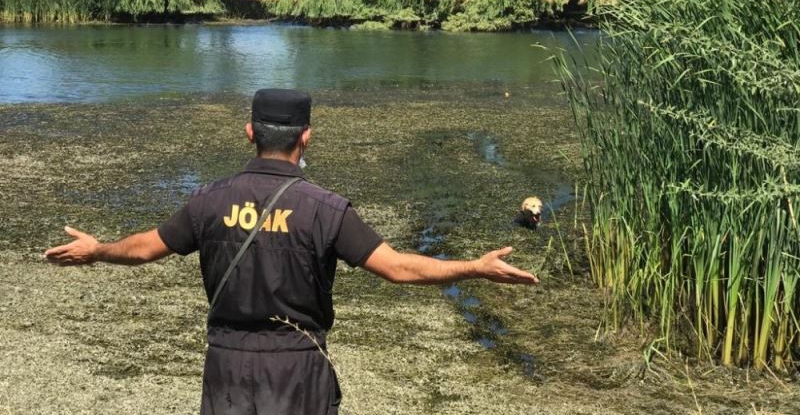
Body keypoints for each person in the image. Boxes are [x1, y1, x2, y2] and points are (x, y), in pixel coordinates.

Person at [44, 88, 539, 415]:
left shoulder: (209, 201)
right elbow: (397, 268)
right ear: (305, 137)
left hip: (228, 368)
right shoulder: (325, 209)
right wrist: (475, 267)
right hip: (298, 366)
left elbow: (145, 249)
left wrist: (98, 250)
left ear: (250, 132)